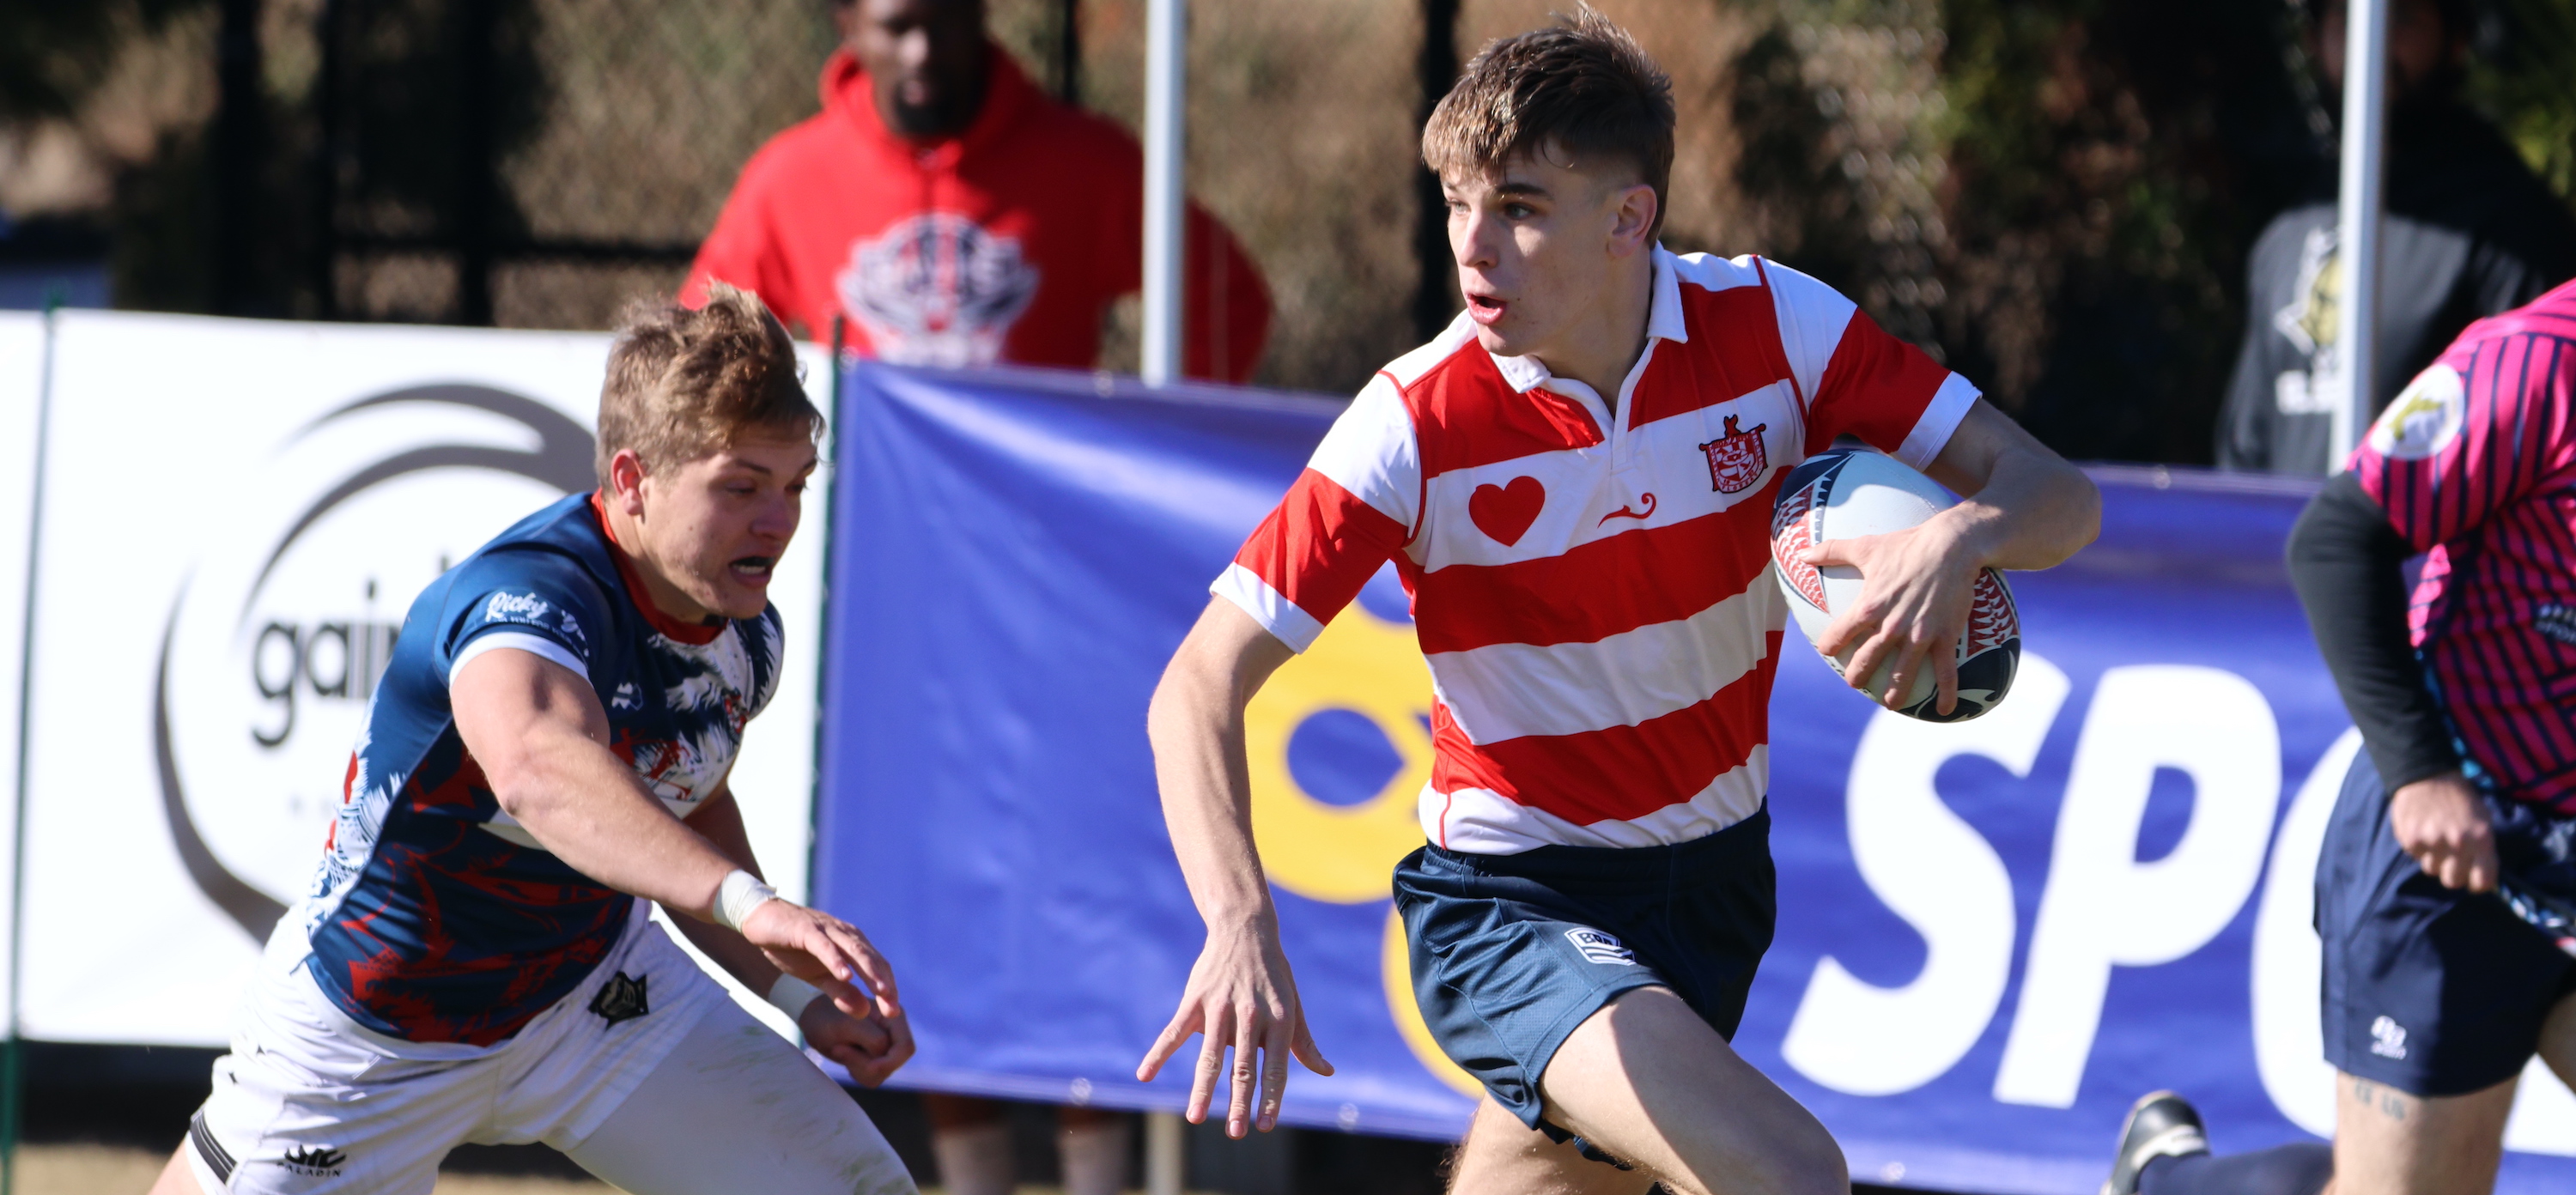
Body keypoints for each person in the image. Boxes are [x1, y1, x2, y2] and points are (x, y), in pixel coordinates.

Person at [1137, 10, 2099, 1194]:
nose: (1472, 249)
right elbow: (1197, 684)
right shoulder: (1416, 425)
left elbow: (2060, 496)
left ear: (1629, 221)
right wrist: (1237, 919)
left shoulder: (1776, 329)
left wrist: (1966, 535)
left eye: (1521, 209)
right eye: (1455, 204)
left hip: (1713, 886)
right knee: (1789, 1175)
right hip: (1514, 900)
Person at [149, 285, 918, 1195]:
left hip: (592, 999)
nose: (778, 522)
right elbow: (538, 771)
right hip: (376, 1032)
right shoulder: (526, 599)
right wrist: (755, 907)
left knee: (851, 1187)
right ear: (631, 481)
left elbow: (688, 800)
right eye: (740, 487)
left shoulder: (746, 633)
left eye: (793, 486)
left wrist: (793, 992)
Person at [2106, 292, 2576, 1192]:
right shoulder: (2533, 363)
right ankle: (2166, 1183)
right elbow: (2333, 542)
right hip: (2450, 852)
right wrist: (2422, 773)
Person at [684, 0, 1272, 384]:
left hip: (1035, 513)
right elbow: (701, 341)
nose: (922, 52)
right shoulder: (791, 176)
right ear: (850, 24)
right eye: (898, 27)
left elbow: (1228, 302)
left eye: (942, 22)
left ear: (980, 14)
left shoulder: (1087, 163)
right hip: (867, 511)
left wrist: (1144, 440)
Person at [2214, 0, 2576, 475]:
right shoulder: (2286, 239)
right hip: (2282, 548)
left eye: (2403, 17)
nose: (2374, 46)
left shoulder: (2509, 226)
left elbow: (2537, 440)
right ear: (2314, 41)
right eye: (2347, 20)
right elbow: (2243, 455)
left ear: (2456, 43)